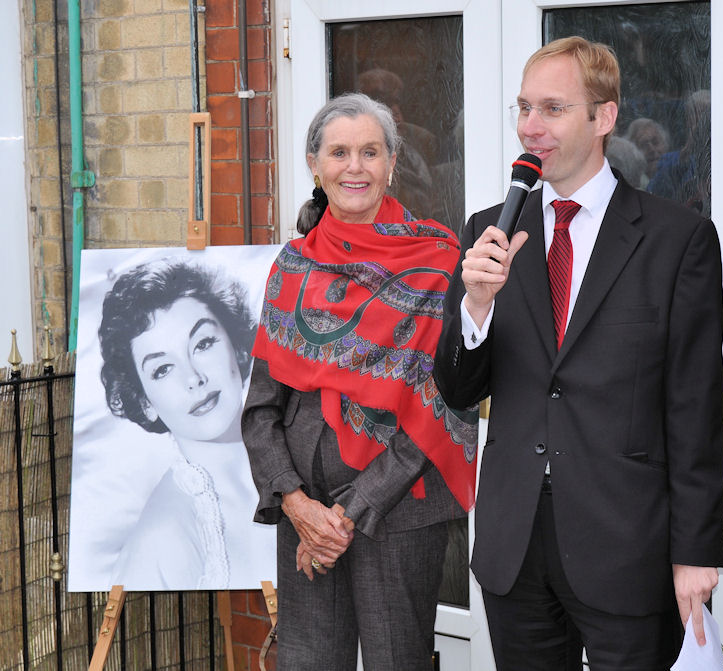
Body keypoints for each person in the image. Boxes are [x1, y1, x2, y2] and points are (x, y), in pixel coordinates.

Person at [433, 37, 723, 670]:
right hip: (515, 545)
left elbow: (695, 404)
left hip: (628, 544)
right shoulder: (492, 229)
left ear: (603, 117)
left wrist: (697, 550)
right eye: (523, 108)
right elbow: (458, 392)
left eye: (552, 109)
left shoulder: (677, 239)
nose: (530, 128)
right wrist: (476, 305)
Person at [241, 92, 477, 670]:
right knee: (310, 661)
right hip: (306, 513)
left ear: (392, 164)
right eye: (340, 152)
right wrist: (296, 504)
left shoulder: (438, 260)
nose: (355, 166)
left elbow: (445, 404)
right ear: (314, 164)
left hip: (401, 512)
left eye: (370, 152)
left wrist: (347, 513)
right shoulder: (292, 265)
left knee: (399, 660)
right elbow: (260, 410)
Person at [98, 259, 275, 589]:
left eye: (203, 343)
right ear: (144, 402)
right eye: (162, 369)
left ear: (236, 346)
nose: (194, 378)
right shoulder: (158, 542)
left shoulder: (299, 458)